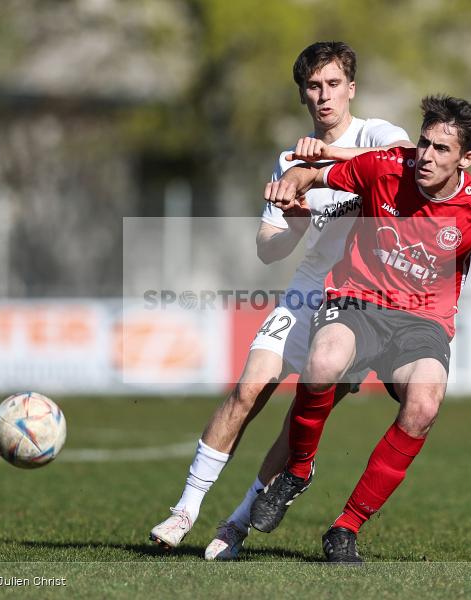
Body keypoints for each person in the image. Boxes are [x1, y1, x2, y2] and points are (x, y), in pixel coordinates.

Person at [251, 94, 471, 563]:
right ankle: (298, 471)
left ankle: (345, 528)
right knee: (322, 363)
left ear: (466, 159)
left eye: (441, 150)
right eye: (424, 143)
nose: (425, 156)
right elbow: (314, 172)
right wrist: (291, 181)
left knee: (425, 403)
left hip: (422, 322)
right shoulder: (386, 166)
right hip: (357, 301)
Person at [148, 41, 411, 560]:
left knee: (300, 419)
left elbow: (399, 163)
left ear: (351, 88)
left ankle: (236, 526)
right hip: (308, 289)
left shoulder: (375, 134)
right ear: (302, 96)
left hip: (362, 299)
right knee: (248, 390)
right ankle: (184, 509)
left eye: (334, 84)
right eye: (314, 87)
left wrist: (321, 165)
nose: (324, 96)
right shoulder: (287, 158)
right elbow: (269, 249)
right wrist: (290, 216)